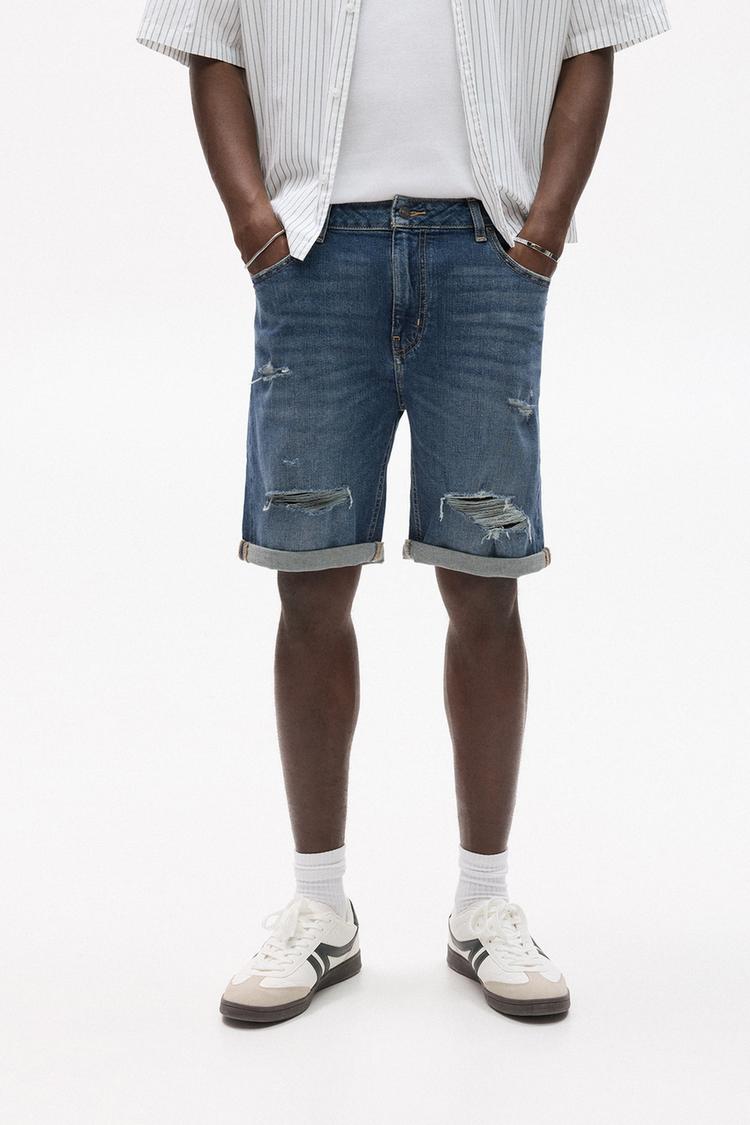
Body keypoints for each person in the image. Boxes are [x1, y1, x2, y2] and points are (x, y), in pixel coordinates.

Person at [137, 0, 669, 1023]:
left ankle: (483, 904)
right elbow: (211, 40)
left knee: (486, 585)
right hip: (314, 253)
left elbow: (590, 39)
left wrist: (544, 230)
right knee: (310, 585)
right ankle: (319, 905)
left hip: (487, 251)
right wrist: (254, 222)